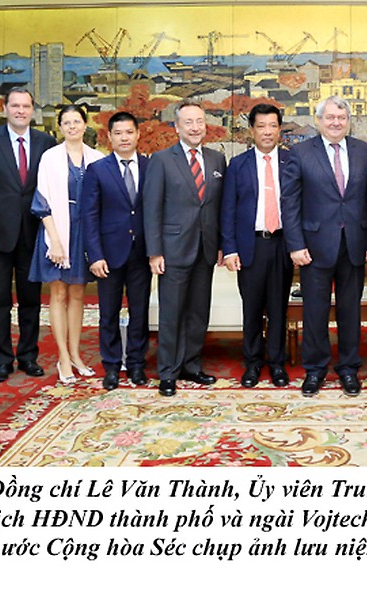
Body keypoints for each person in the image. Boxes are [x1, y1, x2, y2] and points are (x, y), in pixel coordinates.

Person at [280, 96, 367, 397]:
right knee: (315, 311)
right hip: (314, 245)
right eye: (330, 117)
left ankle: (348, 368)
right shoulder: (300, 152)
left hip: (354, 244)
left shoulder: (363, 151)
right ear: (319, 120)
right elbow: (290, 202)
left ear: (349, 121)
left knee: (350, 311)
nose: (336, 122)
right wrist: (295, 244)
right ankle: (315, 369)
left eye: (341, 118)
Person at [0, 87, 56, 383]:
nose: (21, 111)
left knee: (31, 300)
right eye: (15, 106)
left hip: (32, 234)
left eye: (26, 106)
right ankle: (2, 360)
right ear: (5, 109)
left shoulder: (46, 143)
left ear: (33, 110)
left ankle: (28, 356)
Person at [143, 99, 226, 397]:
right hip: (173, 249)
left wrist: (221, 245)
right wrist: (154, 251)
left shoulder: (217, 160)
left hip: (206, 248)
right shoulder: (161, 160)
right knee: (172, 313)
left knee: (198, 312)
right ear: (176, 127)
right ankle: (168, 371)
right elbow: (151, 208)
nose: (195, 127)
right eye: (188, 122)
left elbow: (219, 207)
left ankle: (191, 365)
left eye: (199, 121)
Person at [28, 105, 104, 384]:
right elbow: (41, 202)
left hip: (85, 231)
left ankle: (75, 354)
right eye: (67, 122)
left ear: (85, 125)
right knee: (58, 294)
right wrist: (56, 242)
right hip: (56, 230)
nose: (72, 126)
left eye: (77, 121)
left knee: (78, 294)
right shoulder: (50, 158)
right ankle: (62, 357)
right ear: (60, 127)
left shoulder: (97, 158)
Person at [221, 103, 293, 388]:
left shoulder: (291, 162)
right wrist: (229, 249)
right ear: (252, 130)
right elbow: (227, 209)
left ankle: (277, 363)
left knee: (278, 308)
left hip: (282, 244)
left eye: (272, 126)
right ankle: (252, 363)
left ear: (280, 129)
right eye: (261, 126)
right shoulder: (238, 165)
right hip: (250, 245)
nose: (267, 132)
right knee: (251, 309)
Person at [82, 111, 151, 390]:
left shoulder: (150, 166)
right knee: (108, 313)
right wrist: (95, 255)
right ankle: (111, 366)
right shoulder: (97, 170)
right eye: (118, 133)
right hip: (108, 255)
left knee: (140, 312)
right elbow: (89, 216)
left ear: (138, 134)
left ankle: (136, 364)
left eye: (129, 132)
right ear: (109, 137)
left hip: (142, 253)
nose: (124, 138)